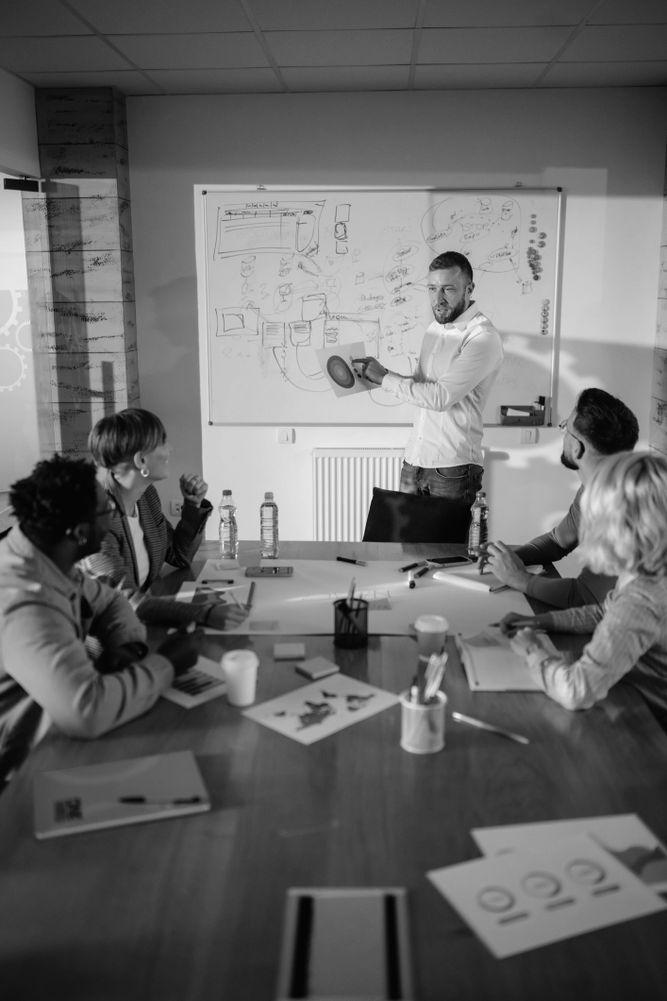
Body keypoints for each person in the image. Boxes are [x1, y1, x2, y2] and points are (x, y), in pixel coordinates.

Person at [0, 455, 200, 786]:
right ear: (79, 533)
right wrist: (166, 663)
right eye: (106, 511)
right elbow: (87, 712)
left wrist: (130, 646)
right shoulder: (26, 602)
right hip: (23, 774)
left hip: (57, 736)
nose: (112, 517)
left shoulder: (41, 551)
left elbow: (110, 599)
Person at [500, 451, 667, 729]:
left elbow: (576, 691)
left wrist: (533, 651)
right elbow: (607, 612)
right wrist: (542, 620)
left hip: (653, 727)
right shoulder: (649, 569)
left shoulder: (640, 598)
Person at [351, 251, 503, 537]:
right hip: (415, 461)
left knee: (447, 560)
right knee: (404, 555)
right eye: (432, 289)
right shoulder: (435, 330)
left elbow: (440, 397)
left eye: (448, 288)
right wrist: (377, 376)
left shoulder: (482, 337)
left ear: (469, 289)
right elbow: (423, 385)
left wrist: (385, 379)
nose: (438, 298)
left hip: (453, 468)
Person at [82, 407, 244, 630]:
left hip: (143, 623)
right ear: (141, 461)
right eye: (163, 442)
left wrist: (192, 504)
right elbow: (125, 600)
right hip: (110, 641)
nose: (171, 449)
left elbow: (179, 556)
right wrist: (203, 613)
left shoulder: (145, 495)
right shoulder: (97, 519)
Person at [484, 388, 639, 608]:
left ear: (577, 448)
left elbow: (586, 597)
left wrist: (519, 578)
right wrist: (509, 558)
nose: (563, 433)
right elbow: (558, 541)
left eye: (566, 427)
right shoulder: (595, 487)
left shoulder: (623, 510)